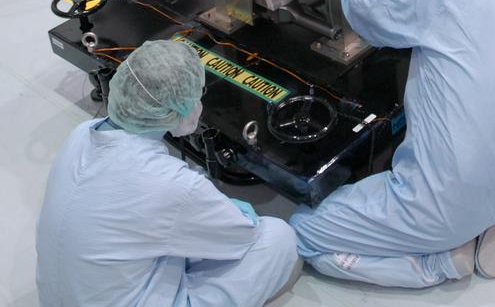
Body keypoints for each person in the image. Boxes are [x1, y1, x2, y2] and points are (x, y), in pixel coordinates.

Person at [290, 0, 495, 288]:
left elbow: (366, 8)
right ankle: (493, 220)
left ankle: (438, 262)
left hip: (439, 206)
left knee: (301, 231)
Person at [36, 40, 300, 307]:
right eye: (196, 95)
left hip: (64, 296)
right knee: (277, 237)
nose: (198, 103)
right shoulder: (171, 184)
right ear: (175, 107)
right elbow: (240, 236)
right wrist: (236, 213)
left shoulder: (82, 133)